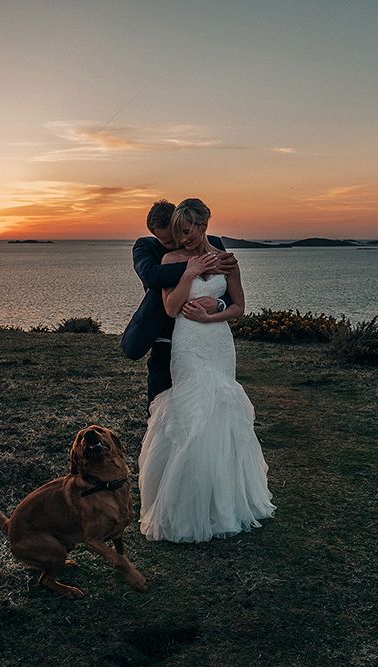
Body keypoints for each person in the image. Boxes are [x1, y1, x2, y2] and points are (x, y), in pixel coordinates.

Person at [137, 198, 275, 542]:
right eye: (177, 233)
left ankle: (222, 503)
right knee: (191, 412)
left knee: (222, 412)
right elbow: (170, 308)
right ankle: (184, 505)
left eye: (187, 232)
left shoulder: (226, 260)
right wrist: (191, 271)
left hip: (217, 343)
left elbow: (239, 307)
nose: (181, 239)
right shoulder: (171, 260)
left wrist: (214, 311)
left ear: (203, 226)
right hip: (187, 345)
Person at [121, 199, 237, 409]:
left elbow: (228, 292)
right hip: (165, 334)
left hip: (209, 338)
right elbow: (150, 276)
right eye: (168, 242)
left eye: (180, 234)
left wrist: (218, 304)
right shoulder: (145, 246)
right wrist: (197, 267)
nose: (180, 242)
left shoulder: (215, 245)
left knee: (212, 404)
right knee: (161, 406)